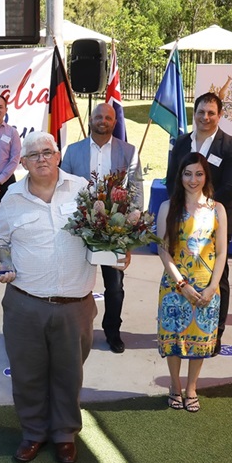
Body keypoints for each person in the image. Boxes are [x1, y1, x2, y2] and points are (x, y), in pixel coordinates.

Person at [0, 132, 128, 463]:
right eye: (33, 154)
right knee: (27, 373)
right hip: (25, 302)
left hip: (75, 306)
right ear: (23, 163)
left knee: (68, 374)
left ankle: (65, 434)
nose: (41, 159)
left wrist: (119, 249)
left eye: (47, 152)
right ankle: (33, 432)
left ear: (58, 155)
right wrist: (4, 261)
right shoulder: (12, 197)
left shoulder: (82, 189)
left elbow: (105, 230)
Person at [165, 92, 232, 353]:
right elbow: (171, 181)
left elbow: (230, 187)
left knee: (216, 276)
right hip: (181, 220)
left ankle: (214, 332)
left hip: (215, 221)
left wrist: (202, 211)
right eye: (201, 112)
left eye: (211, 113)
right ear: (194, 113)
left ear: (220, 116)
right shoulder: (180, 143)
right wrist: (183, 210)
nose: (205, 117)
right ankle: (181, 325)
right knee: (181, 269)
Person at [62, 103, 143, 353]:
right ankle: (73, 331)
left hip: (115, 229)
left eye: (108, 117)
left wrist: (131, 228)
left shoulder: (128, 151)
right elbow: (63, 188)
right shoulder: (73, 151)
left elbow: (136, 189)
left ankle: (112, 331)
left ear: (114, 122)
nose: (103, 121)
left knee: (115, 286)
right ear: (91, 120)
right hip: (81, 227)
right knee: (74, 283)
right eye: (98, 116)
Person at [155, 153, 227, 412]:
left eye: (198, 174)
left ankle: (192, 388)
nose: (193, 179)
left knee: (200, 340)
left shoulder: (217, 209)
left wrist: (212, 287)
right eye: (187, 174)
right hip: (175, 286)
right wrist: (181, 284)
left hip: (207, 288)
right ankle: (175, 386)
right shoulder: (167, 207)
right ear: (180, 176)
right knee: (173, 338)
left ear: (206, 176)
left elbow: (221, 252)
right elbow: (163, 250)